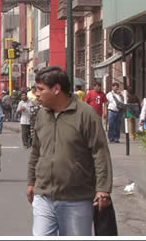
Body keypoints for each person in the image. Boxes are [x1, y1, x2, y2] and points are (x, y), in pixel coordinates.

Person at [27, 66, 112, 236]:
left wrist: (103, 189)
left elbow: (100, 152)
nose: (36, 94)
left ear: (56, 89)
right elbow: (36, 150)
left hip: (76, 199)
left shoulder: (86, 114)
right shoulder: (42, 114)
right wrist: (31, 182)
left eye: (41, 89)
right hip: (43, 195)